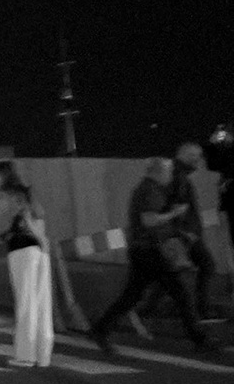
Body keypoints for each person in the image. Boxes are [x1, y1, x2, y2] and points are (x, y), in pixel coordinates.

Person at [90, 154, 213, 352]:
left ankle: (100, 329)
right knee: (181, 293)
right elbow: (149, 220)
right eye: (169, 171)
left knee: (131, 296)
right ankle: (200, 339)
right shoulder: (150, 190)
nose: (171, 175)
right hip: (152, 251)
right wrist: (174, 213)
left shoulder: (146, 189)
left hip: (143, 250)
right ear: (159, 172)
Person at [0, 158, 53, 367]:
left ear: (3, 175)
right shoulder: (28, 191)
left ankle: (25, 356)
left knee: (26, 303)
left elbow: (14, 221)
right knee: (42, 305)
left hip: (21, 250)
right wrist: (42, 240)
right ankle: (43, 356)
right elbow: (39, 215)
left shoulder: (8, 194)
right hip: (39, 251)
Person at [169, 140, 222, 324]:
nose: (198, 160)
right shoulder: (180, 177)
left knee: (168, 273)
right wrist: (185, 232)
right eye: (194, 156)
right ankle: (203, 310)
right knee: (207, 266)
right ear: (183, 155)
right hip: (187, 235)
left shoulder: (177, 174)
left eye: (199, 156)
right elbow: (178, 207)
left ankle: (151, 308)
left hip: (183, 233)